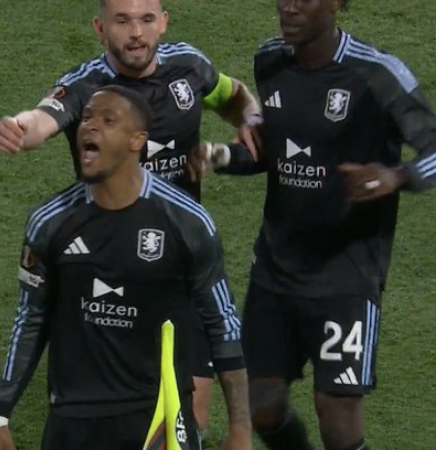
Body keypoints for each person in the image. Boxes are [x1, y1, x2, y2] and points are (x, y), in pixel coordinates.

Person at [0, 0, 262, 437]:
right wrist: (20, 129)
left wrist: (252, 117)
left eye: (146, 19)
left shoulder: (190, 65)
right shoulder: (86, 85)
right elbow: (43, 118)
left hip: (178, 254)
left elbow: (231, 95)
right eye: (122, 21)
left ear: (163, 23)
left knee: (191, 413)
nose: (136, 32)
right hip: (110, 252)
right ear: (101, 28)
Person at [188, 1, 436, 449]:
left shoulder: (377, 73)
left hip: (348, 272)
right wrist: (222, 156)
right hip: (276, 269)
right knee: (262, 406)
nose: (290, 6)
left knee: (337, 413)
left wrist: (396, 177)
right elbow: (279, 150)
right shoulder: (269, 60)